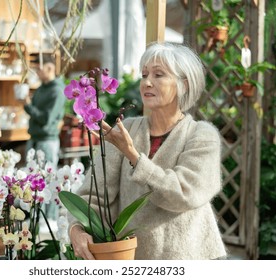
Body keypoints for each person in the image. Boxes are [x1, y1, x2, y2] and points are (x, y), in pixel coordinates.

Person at [69, 42, 227, 260]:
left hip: (190, 258)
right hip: (132, 260)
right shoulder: (127, 129)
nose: (147, 82)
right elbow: (93, 197)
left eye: (158, 75)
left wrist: (133, 155)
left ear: (185, 84)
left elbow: (183, 194)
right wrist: (76, 229)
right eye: (144, 75)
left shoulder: (202, 135)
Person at [23, 61, 66, 223]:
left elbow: (46, 119)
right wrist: (27, 105)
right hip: (34, 139)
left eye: (39, 70)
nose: (37, 73)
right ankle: (35, 217)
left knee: (49, 179)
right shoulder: (41, 89)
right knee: (32, 179)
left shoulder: (57, 91)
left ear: (50, 68)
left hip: (47, 140)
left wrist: (28, 106)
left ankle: (50, 218)